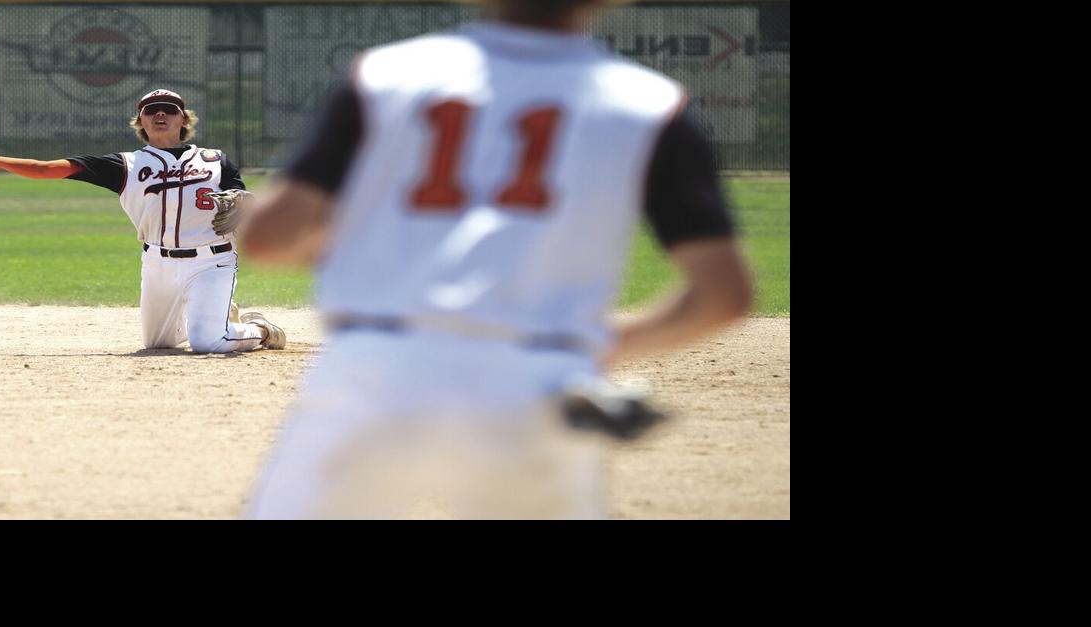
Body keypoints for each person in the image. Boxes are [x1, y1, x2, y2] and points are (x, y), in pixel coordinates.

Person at [238, 0, 753, 518]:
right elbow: (723, 295)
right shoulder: (652, 104)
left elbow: (268, 237)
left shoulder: (381, 76)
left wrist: (371, 248)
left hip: (374, 369)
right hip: (539, 381)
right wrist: (589, 352)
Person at [0, 89, 285, 353]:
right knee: (158, 343)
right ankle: (212, 313)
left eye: (169, 110)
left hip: (211, 262)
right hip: (157, 264)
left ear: (184, 120)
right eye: (151, 110)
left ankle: (260, 329)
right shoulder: (126, 165)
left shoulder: (215, 161)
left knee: (208, 341)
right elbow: (48, 169)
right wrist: (0, 162)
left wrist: (245, 206)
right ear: (141, 122)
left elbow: (242, 202)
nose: (160, 114)